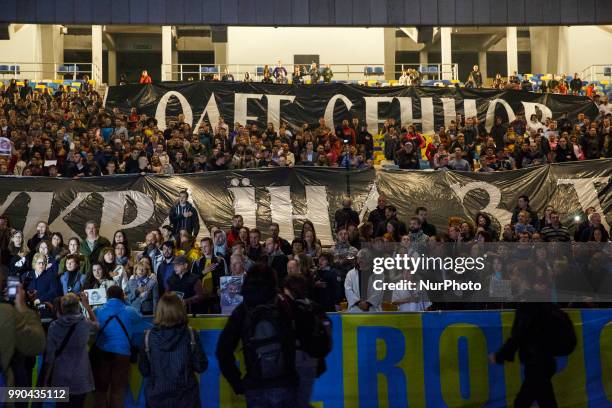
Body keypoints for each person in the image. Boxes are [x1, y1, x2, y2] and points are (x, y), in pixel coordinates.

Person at [216, 264, 298, 407]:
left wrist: (237, 383)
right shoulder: (284, 304)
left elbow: (223, 351)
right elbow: (307, 335)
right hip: (285, 382)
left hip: (255, 385)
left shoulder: (242, 311)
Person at [491, 303, 571, 408]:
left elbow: (518, 335)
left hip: (535, 362)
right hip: (547, 361)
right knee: (544, 400)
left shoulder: (528, 307)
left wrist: (500, 356)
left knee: (524, 402)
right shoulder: (550, 307)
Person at [139, 292, 208, 408]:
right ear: (181, 310)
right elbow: (200, 366)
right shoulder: (190, 334)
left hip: (156, 398)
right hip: (187, 398)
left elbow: (144, 370)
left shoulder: (148, 337)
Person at [43, 292, 98, 408]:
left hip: (60, 376)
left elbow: (50, 357)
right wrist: (88, 307)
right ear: (77, 306)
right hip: (80, 376)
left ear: (62, 307)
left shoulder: (54, 326)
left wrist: (45, 381)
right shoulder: (84, 323)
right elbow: (97, 325)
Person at [91, 285, 142, 408]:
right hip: (122, 354)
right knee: (118, 392)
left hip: (102, 353)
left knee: (101, 391)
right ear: (122, 296)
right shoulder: (129, 311)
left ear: (107, 296)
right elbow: (139, 318)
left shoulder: (98, 311)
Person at [0, 267, 46, 388]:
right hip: (13, 379)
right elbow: (37, 344)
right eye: (4, 281)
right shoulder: (6, 312)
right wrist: (22, 305)